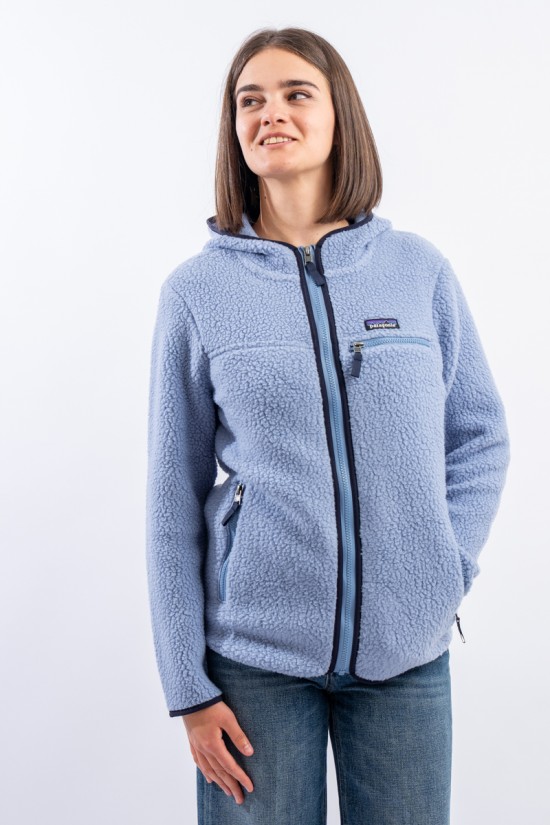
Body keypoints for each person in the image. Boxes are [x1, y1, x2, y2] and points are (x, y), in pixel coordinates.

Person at [145, 26, 511, 825]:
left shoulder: (416, 271)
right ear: (234, 129)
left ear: (338, 113)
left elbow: (479, 432)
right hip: (254, 663)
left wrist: (444, 565)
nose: (270, 112)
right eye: (250, 100)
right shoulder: (198, 293)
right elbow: (172, 499)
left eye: (296, 94)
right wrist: (188, 687)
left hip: (406, 655)